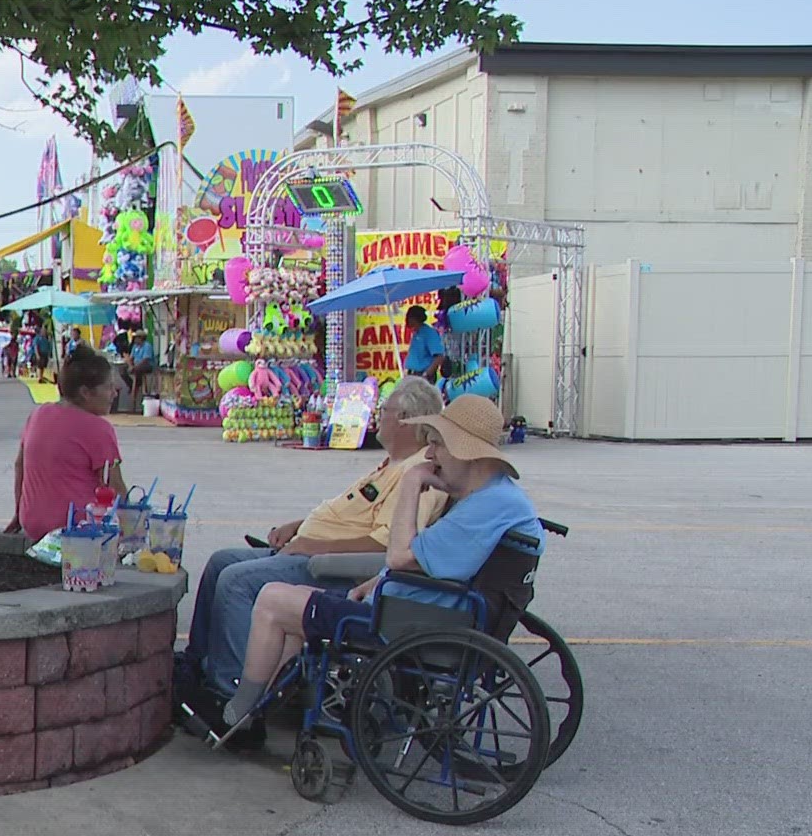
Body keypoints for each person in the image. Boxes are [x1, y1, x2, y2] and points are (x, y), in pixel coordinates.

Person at [192, 395, 543, 743]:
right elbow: (430, 564)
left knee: (272, 599)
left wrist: (412, 484)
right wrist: (378, 579)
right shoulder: (498, 500)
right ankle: (252, 711)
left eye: (437, 444)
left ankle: (237, 714)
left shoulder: (484, 507)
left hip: (410, 621)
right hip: (425, 609)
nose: (431, 455)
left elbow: (400, 556)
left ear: (465, 451)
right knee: (290, 614)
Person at [177, 377, 447, 741]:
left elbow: (384, 543)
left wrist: (312, 546)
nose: (377, 419)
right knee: (221, 562)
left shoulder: (417, 475)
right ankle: (199, 666)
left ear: (406, 420)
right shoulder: (392, 464)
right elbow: (346, 514)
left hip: (336, 568)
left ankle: (232, 694)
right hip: (312, 548)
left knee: (237, 581)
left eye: (383, 412)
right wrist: (300, 527)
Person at [8, 348, 125, 539]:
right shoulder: (99, 428)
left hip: (31, 524)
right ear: (86, 392)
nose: (114, 394)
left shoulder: (38, 414)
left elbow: (19, 465)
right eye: (109, 387)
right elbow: (117, 488)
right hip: (75, 530)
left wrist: (18, 513)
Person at [404, 304, 447, 382]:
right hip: (411, 375)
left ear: (415, 319)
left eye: (409, 317)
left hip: (422, 376)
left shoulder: (429, 333)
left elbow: (439, 357)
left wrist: (426, 374)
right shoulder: (416, 333)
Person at [124, 331, 157, 412]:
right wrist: (130, 365)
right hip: (136, 365)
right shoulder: (135, 346)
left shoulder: (147, 346)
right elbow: (131, 358)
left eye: (136, 338)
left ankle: (137, 386)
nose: (134, 340)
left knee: (138, 370)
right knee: (122, 370)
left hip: (147, 366)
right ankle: (131, 384)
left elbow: (146, 360)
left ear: (141, 338)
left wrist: (135, 367)